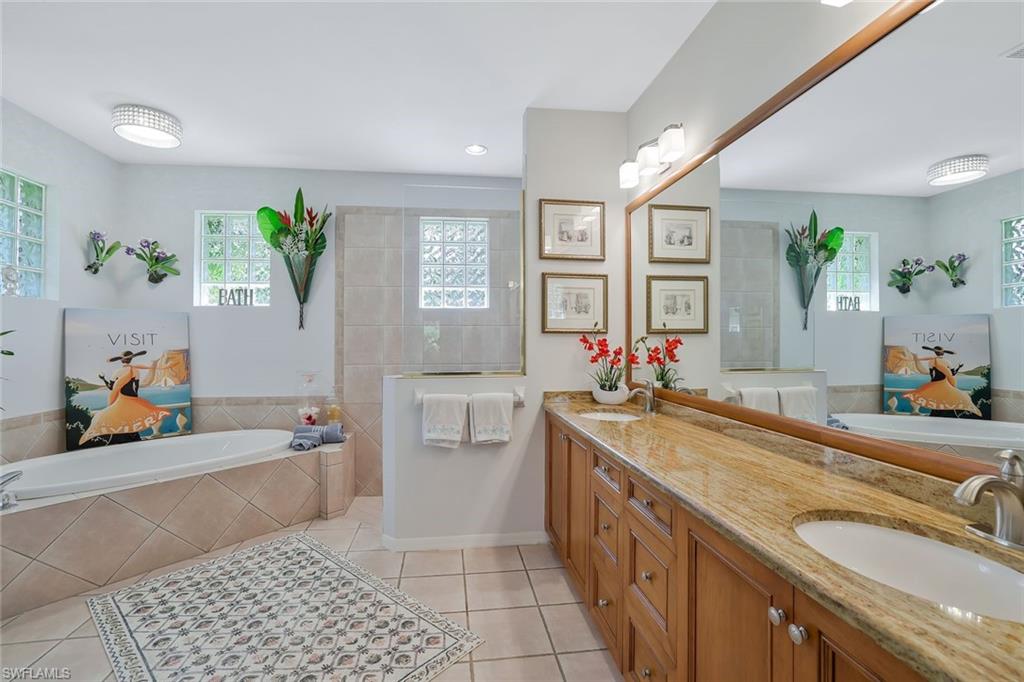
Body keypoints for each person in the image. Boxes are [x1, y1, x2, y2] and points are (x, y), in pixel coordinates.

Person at [78, 350, 171, 445]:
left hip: (122, 402)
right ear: (131, 359)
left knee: (119, 424)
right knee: (131, 424)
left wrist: (103, 379)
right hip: (134, 402)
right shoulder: (136, 371)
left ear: (121, 360)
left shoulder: (118, 372)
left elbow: (111, 388)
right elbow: (135, 387)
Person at [902, 345, 981, 417]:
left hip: (935, 385)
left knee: (937, 404)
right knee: (946, 403)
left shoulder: (931, 361)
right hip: (945, 385)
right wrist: (959, 367)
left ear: (935, 353)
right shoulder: (947, 362)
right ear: (943, 353)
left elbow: (931, 374)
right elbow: (953, 374)